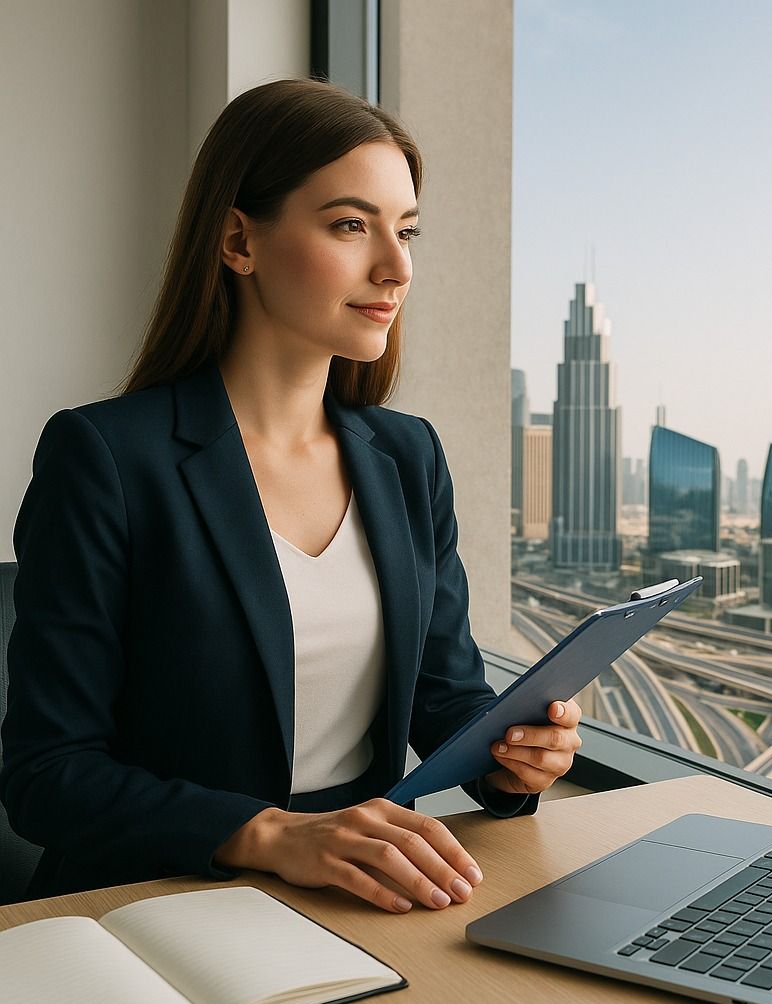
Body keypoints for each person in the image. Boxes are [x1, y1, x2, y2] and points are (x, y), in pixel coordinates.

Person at [0, 78, 582, 911]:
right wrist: (272, 834)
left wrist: (514, 755)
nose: (397, 266)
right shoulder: (106, 458)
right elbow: (47, 776)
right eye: (352, 225)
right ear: (238, 240)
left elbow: (445, 695)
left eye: (407, 230)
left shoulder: (407, 455)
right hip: (157, 904)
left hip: (362, 895)